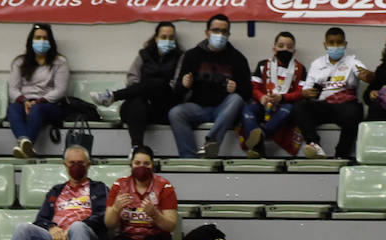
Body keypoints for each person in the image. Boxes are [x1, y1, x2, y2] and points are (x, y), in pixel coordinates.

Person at [168, 14, 250, 158]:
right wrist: (185, 85)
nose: (220, 35)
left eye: (224, 31)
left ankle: (211, 143)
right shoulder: (192, 55)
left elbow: (248, 93)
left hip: (224, 109)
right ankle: (189, 159)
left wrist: (237, 89)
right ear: (207, 33)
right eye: (216, 30)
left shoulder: (238, 58)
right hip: (198, 107)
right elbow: (177, 91)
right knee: (176, 113)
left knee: (236, 99)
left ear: (229, 35)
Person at [102, 147, 178, 240]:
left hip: (157, 237)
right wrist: (116, 208)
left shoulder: (164, 187)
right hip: (128, 236)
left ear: (152, 165)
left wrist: (155, 215)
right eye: (137, 163)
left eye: (146, 164)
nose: (141, 167)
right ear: (131, 164)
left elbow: (170, 225)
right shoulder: (119, 186)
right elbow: (109, 224)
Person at [94, 22, 182, 151]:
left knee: (158, 83)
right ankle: (137, 148)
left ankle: (113, 96)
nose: (167, 41)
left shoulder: (180, 57)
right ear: (156, 38)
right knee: (137, 101)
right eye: (163, 37)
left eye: (171, 38)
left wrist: (148, 89)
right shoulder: (144, 54)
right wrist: (143, 91)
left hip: (162, 107)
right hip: (139, 106)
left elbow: (174, 85)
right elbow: (132, 79)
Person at [294, 28, 372, 160]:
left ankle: (341, 154)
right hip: (322, 106)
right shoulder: (317, 64)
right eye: (331, 43)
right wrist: (307, 93)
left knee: (356, 111)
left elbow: (365, 75)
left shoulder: (353, 62)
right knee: (299, 107)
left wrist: (367, 76)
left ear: (345, 44)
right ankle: (314, 146)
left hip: (345, 107)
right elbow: (306, 89)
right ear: (325, 45)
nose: (335, 46)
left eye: (339, 42)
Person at [240, 31, 307, 159]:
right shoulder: (263, 65)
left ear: (294, 51)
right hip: (264, 105)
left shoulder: (300, 69)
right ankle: (258, 147)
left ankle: (260, 136)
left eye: (289, 47)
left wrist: (283, 97)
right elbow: (253, 87)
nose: (285, 49)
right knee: (246, 109)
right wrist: (261, 97)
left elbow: (300, 93)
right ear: (274, 48)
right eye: (281, 46)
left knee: (289, 108)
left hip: (284, 107)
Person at [7, 23, 69, 160]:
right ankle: (24, 141)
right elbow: (13, 89)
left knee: (37, 109)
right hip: (24, 103)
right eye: (38, 38)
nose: (41, 41)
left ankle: (25, 144)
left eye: (45, 38)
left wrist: (39, 101)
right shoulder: (20, 62)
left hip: (50, 105)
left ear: (50, 42)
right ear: (31, 40)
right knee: (12, 108)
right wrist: (24, 101)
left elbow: (60, 90)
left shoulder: (60, 62)